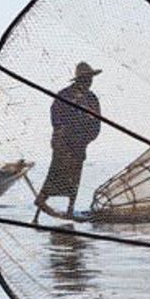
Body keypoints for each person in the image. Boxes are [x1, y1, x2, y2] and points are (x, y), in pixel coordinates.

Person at [34, 62, 103, 222]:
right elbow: (56, 116)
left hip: (79, 145)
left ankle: (69, 210)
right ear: (79, 79)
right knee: (56, 173)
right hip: (64, 144)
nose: (89, 81)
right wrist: (61, 131)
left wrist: (87, 138)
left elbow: (96, 123)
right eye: (86, 78)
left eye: (90, 78)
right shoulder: (64, 95)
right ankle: (40, 203)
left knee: (74, 178)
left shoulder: (91, 98)